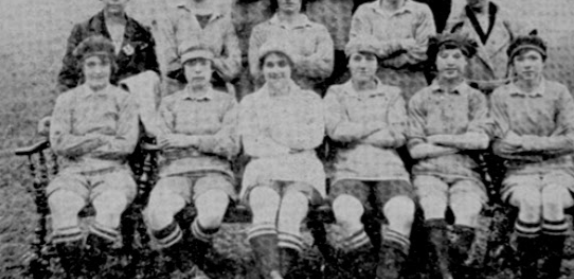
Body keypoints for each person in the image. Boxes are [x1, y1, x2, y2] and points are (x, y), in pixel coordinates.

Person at [489, 34, 574, 279]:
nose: (527, 64)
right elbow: (500, 147)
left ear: (543, 62)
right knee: (530, 201)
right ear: (512, 65)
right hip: (519, 172)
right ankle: (528, 273)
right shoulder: (501, 95)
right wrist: (547, 144)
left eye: (533, 58)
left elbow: (569, 142)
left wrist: (523, 142)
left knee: (552, 200)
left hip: (559, 170)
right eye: (520, 59)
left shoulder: (558, 93)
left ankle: (551, 273)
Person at [144, 43, 239, 277]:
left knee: (211, 216)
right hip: (174, 173)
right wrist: (209, 142)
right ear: (183, 70)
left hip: (214, 173)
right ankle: (191, 270)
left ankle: (183, 261)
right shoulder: (169, 103)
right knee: (156, 214)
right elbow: (165, 144)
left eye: (203, 64)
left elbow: (230, 145)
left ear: (211, 69)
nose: (197, 70)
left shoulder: (226, 102)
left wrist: (188, 141)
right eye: (191, 64)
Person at [47, 36, 139, 277]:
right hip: (72, 172)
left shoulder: (124, 99)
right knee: (62, 206)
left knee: (111, 207)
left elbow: (126, 144)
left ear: (112, 67)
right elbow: (59, 143)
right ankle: (76, 274)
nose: (97, 71)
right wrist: (100, 140)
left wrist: (81, 143)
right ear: (81, 67)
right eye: (91, 65)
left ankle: (90, 267)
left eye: (103, 64)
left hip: (113, 172)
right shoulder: (66, 100)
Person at [324, 37, 414, 279]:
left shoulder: (392, 94)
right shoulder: (336, 93)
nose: (363, 64)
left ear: (377, 64)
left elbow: (398, 135)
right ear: (349, 63)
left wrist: (356, 130)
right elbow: (336, 131)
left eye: (370, 59)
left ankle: (387, 274)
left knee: (403, 212)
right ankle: (367, 268)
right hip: (349, 169)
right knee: (345, 212)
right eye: (358, 58)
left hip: (389, 169)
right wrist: (376, 125)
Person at [238, 39, 327, 279]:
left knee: (292, 209)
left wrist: (272, 134)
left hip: (303, 168)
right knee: (264, 203)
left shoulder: (310, 100)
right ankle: (273, 274)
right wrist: (289, 145)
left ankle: (275, 273)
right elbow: (251, 144)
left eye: (281, 64)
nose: (275, 70)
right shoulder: (250, 102)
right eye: (269, 65)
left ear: (291, 67)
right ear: (262, 68)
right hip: (263, 167)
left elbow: (313, 138)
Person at [407, 33, 490, 279]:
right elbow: (416, 149)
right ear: (435, 62)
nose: (451, 62)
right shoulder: (420, 98)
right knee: (432, 205)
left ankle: (450, 264)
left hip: (466, 173)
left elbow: (481, 140)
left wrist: (438, 139)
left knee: (468, 209)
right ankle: (445, 275)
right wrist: (461, 144)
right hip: (428, 171)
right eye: (444, 56)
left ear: (466, 63)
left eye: (457, 56)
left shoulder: (475, 98)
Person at [55, 0, 161, 134]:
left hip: (131, 105)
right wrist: (65, 109)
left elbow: (153, 72)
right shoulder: (83, 30)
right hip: (92, 103)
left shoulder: (141, 32)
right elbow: (68, 74)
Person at [350, 0, 435, 101]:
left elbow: (422, 52)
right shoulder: (365, 11)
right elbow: (358, 47)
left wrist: (380, 56)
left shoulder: (421, 11)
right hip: (375, 81)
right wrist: (400, 44)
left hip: (411, 82)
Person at [444, 0, 532, 95]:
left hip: (506, 92)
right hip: (469, 94)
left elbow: (528, 54)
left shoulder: (511, 21)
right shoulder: (455, 25)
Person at [162, 0, 241, 96]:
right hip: (180, 91)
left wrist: (211, 73)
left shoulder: (223, 19)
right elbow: (169, 62)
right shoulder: (172, 16)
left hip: (217, 91)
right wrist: (209, 65)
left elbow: (234, 64)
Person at [248, 0, 334, 94]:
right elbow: (256, 73)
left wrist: (290, 58)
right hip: (271, 101)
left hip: (307, 100)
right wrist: (308, 62)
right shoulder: (260, 31)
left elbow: (325, 69)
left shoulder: (318, 31)